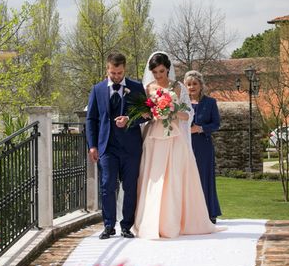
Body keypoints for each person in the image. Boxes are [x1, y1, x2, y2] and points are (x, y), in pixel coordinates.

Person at [133, 52, 224, 239]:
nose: (159, 75)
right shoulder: (147, 87)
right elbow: (145, 114)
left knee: (174, 177)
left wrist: (171, 111)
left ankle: (174, 221)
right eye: (155, 72)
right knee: (154, 177)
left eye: (162, 71)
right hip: (154, 138)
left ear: (168, 69)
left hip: (175, 137)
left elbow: (188, 114)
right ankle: (152, 222)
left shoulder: (178, 87)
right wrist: (153, 113)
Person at [86, 52, 146, 239]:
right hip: (107, 148)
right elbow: (91, 119)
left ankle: (126, 226)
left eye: (119, 73)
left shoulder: (136, 87)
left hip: (131, 148)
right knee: (107, 185)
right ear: (107, 69)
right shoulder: (97, 90)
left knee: (130, 187)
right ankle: (109, 225)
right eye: (113, 73)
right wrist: (93, 145)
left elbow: (146, 113)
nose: (116, 76)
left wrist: (129, 120)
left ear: (124, 69)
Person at [186, 70, 222, 223]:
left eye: (195, 83)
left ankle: (209, 213)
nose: (192, 87)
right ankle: (188, 214)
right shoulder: (181, 104)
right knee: (186, 179)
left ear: (201, 85)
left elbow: (216, 124)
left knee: (204, 178)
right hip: (184, 145)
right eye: (188, 84)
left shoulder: (210, 102)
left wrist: (200, 128)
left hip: (203, 146)